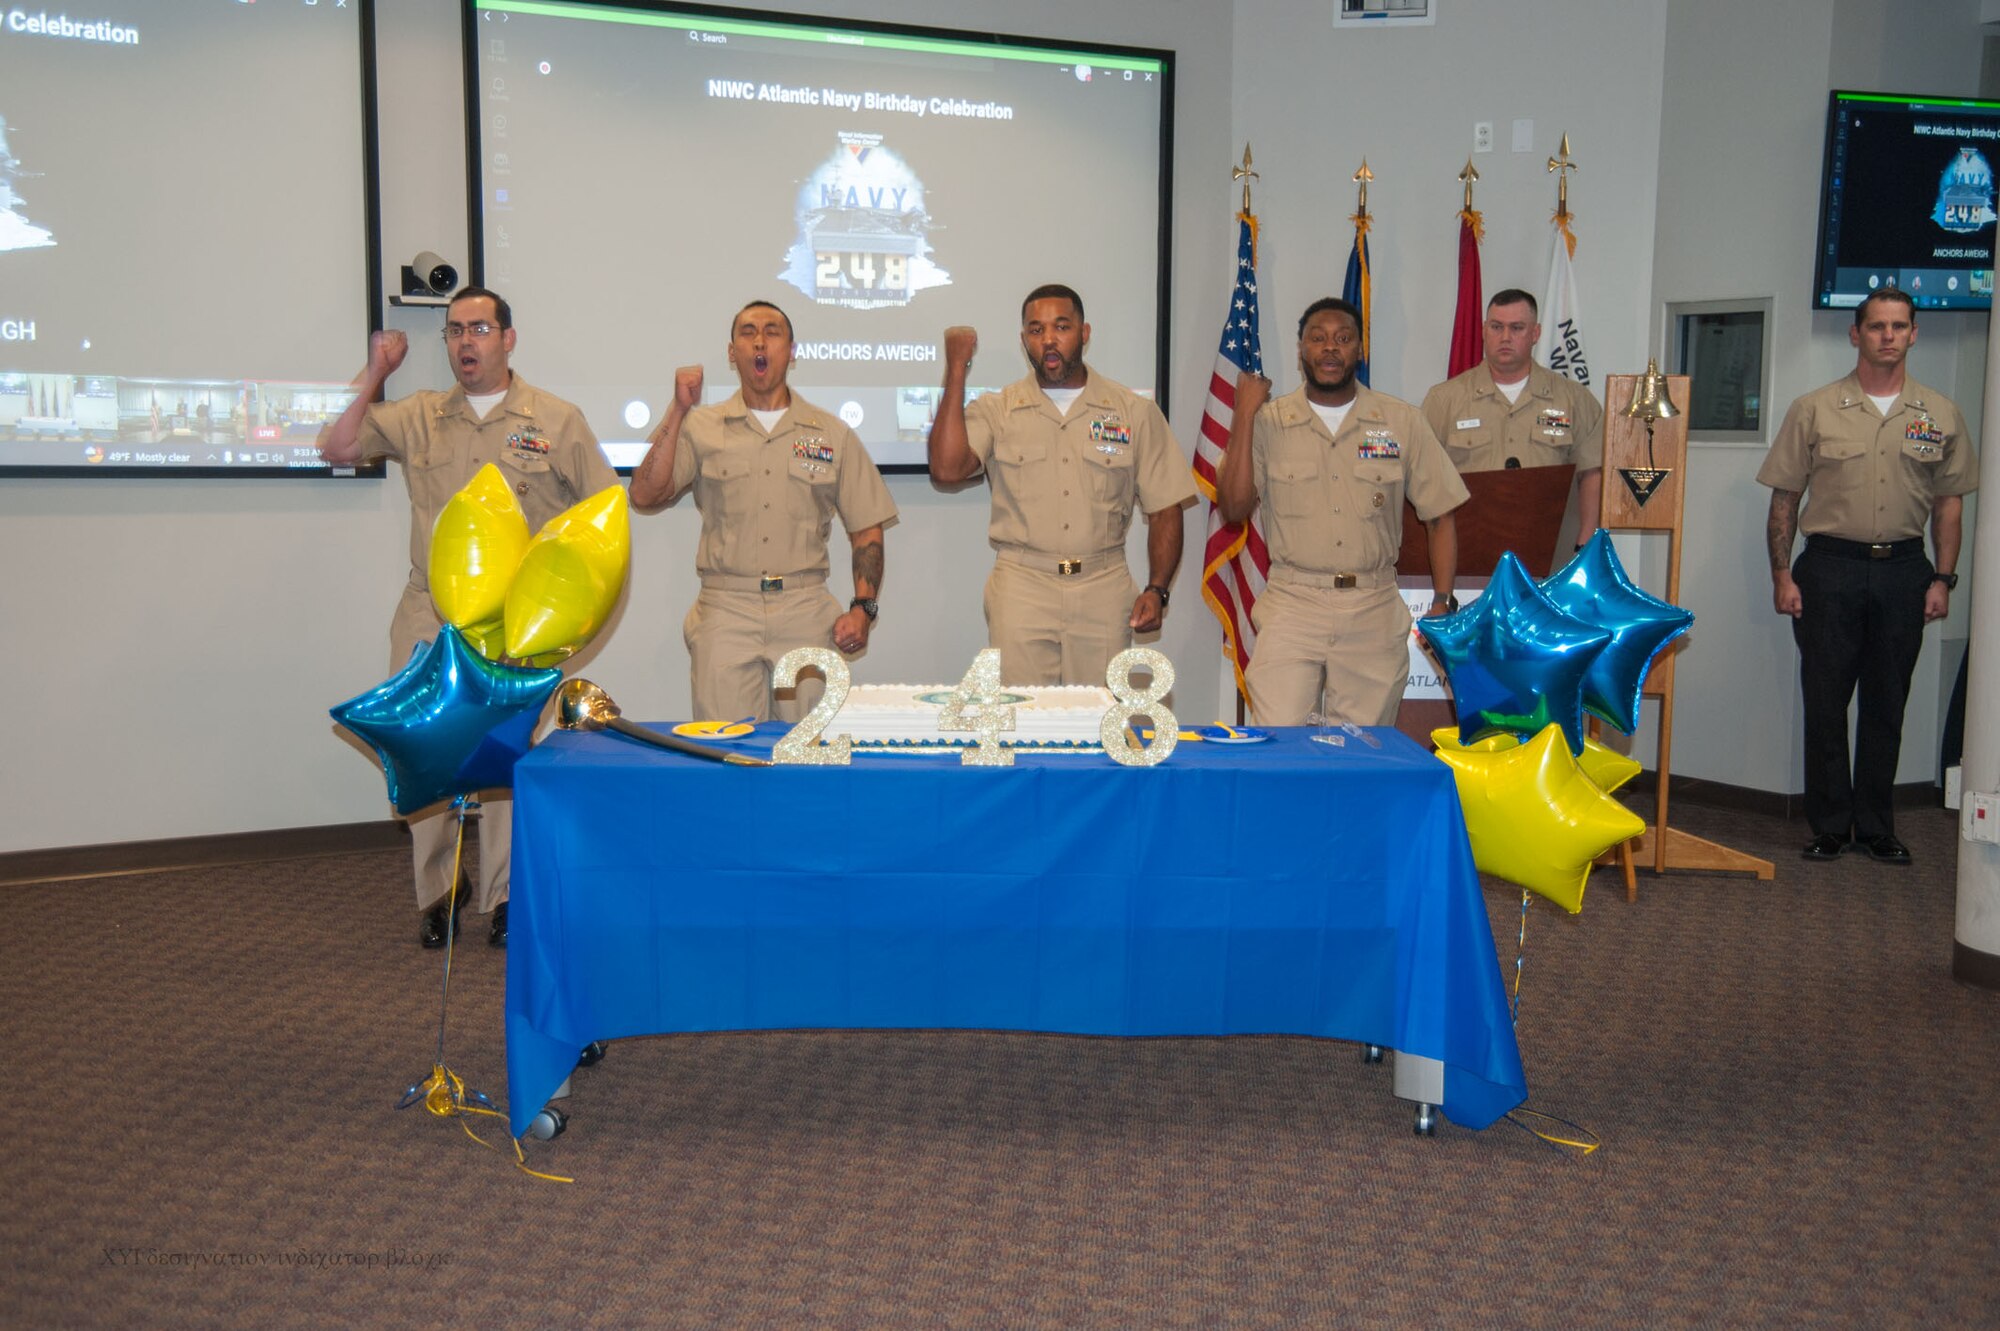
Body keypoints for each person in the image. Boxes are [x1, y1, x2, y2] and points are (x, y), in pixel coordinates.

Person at [318, 287, 617, 948]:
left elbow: (602, 513)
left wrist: (565, 598)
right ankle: (439, 892)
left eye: (479, 328)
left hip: (517, 621)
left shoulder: (556, 419)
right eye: (454, 330)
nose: (465, 342)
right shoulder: (420, 414)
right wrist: (376, 374)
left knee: (507, 760)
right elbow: (336, 446)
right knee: (425, 748)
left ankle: (506, 895)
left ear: (508, 338)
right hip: (431, 612)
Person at [1757, 287, 1978, 865]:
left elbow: (1948, 505)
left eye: (1898, 326)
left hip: (1906, 571)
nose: (1887, 335)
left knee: (1887, 702)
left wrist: (1943, 579)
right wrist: (1782, 574)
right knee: (1826, 702)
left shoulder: (1940, 414)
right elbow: (1785, 499)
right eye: (1876, 326)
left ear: (1913, 335)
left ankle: (1878, 825)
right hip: (1829, 567)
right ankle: (1830, 824)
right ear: (1856, 334)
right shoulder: (1815, 409)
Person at [629, 300, 895, 721]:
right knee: (728, 756)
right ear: (732, 353)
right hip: (725, 611)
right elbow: (644, 494)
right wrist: (679, 409)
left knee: (807, 757)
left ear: (792, 351)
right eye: (747, 332)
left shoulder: (832, 433)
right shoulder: (700, 427)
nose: (759, 340)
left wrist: (864, 609)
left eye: (773, 331)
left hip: (805, 608)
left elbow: (867, 530)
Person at [926, 284, 1196, 686]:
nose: (1049, 339)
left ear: (1084, 333)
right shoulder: (998, 409)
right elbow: (946, 469)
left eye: (1061, 327)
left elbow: (1165, 508)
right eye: (1035, 330)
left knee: (1100, 724)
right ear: (1024, 342)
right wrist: (956, 367)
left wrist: (1158, 589)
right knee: (1022, 725)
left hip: (1102, 586)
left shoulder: (1133, 411)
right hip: (1022, 585)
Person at [1218, 297, 1467, 727]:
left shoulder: (1400, 421)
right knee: (1278, 743)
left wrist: (1443, 599)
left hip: (1372, 605)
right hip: (1293, 603)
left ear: (1359, 350)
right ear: (1301, 351)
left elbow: (1440, 516)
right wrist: (1243, 413)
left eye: (1343, 339)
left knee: (1363, 751)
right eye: (1318, 338)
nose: (1330, 348)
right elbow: (1234, 507)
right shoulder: (1268, 422)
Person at [1420, 288, 1603, 547]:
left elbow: (1592, 474)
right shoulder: (1445, 400)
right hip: (1466, 551)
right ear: (1484, 330)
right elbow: (1422, 478)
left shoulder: (1573, 399)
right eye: (1496, 327)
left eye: (1517, 328)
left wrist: (1584, 545)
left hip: (1549, 553)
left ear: (1535, 333)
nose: (1505, 337)